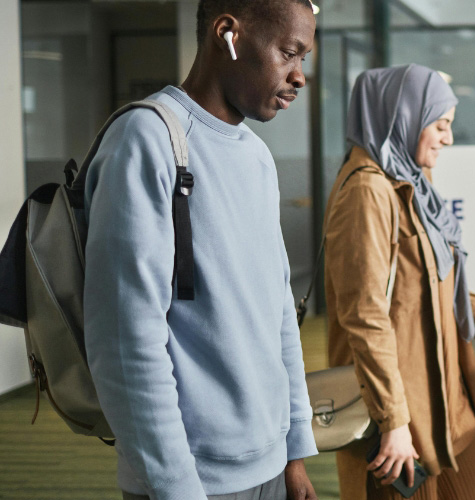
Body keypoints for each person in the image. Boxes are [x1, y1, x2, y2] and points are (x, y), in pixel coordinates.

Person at [83, 1, 319, 499]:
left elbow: (277, 314)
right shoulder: (147, 138)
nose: (300, 76)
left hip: (270, 468)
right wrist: (176, 486)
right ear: (228, 34)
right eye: (288, 53)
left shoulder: (256, 155)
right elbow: (125, 340)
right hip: (191, 481)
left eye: (304, 58)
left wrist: (294, 450)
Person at [324, 64, 475, 500]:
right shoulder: (367, 192)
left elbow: (440, 285)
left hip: (448, 411)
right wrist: (392, 421)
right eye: (441, 125)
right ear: (403, 116)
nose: (448, 138)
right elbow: (365, 316)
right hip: (401, 426)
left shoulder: (411, 181)